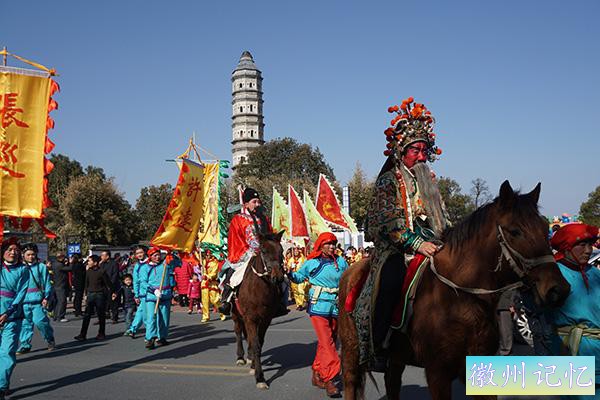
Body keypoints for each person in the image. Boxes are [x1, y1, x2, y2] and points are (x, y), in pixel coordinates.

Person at [358, 97, 447, 371]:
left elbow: (443, 217)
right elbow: (391, 226)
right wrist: (418, 244)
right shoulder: (389, 181)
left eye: (424, 150)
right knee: (391, 280)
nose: (421, 156)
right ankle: (379, 344)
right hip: (397, 249)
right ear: (401, 152)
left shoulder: (429, 181)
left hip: (433, 244)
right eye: (414, 151)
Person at [288, 232, 348, 398]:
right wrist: (289, 274)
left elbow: (348, 278)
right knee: (327, 342)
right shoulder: (312, 262)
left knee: (327, 343)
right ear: (321, 245)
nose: (331, 247)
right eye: (328, 244)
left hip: (336, 307)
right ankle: (330, 378)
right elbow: (299, 278)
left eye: (333, 244)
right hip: (318, 307)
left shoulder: (341, 262)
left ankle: (317, 372)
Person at [547, 223, 600, 399]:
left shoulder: (594, 273)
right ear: (567, 248)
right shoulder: (553, 275)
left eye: (590, 245)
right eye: (581, 245)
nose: (588, 250)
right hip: (573, 354)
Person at [218, 187, 287, 317]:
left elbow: (270, 237)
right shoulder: (237, 219)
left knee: (282, 279)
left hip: (263, 254)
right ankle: (226, 301)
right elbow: (235, 239)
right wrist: (249, 252)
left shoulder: (264, 219)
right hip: (243, 254)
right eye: (254, 202)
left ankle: (280, 304)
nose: (257, 204)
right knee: (233, 276)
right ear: (246, 204)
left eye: (258, 202)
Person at [0, 240, 29, 399]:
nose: (13, 252)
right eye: (10, 249)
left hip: (12, 318)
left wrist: (7, 313)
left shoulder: (23, 270)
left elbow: (21, 294)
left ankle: (2, 385)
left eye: (16, 250)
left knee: (7, 353)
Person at [16, 243, 55, 354]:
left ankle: (50, 339)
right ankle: (25, 345)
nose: (31, 257)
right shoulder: (19, 268)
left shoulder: (41, 267)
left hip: (37, 300)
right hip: (23, 302)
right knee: (25, 324)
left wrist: (46, 297)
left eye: (33, 254)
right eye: (28, 254)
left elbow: (47, 283)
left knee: (41, 322)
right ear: (23, 255)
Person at [140, 247, 179, 350]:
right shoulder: (145, 268)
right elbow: (143, 282)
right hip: (152, 296)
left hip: (165, 294)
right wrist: (153, 290)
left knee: (164, 318)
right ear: (150, 256)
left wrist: (172, 254)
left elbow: (178, 263)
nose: (157, 257)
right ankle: (150, 338)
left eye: (158, 255)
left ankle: (162, 337)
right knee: (152, 318)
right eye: (155, 255)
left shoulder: (165, 265)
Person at [74, 255, 116, 341]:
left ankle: (101, 333)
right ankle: (82, 334)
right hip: (90, 295)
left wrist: (113, 292)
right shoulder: (88, 271)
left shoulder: (102, 272)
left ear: (95, 263)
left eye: (89, 261)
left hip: (99, 295)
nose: (88, 263)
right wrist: (85, 295)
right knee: (87, 315)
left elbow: (108, 283)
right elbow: (86, 283)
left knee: (101, 315)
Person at [124, 246, 148, 338]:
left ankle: (149, 332)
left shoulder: (149, 263)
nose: (139, 255)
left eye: (141, 252)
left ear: (145, 252)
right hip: (142, 293)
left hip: (151, 293)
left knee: (144, 313)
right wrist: (136, 295)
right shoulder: (137, 265)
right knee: (141, 312)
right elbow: (135, 281)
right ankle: (133, 329)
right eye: (137, 253)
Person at [201, 251, 225, 322]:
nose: (208, 254)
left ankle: (222, 313)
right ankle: (205, 316)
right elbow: (203, 270)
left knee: (215, 300)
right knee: (205, 300)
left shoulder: (215, 262)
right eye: (207, 253)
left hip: (212, 283)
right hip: (204, 283)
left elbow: (214, 273)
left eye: (209, 253)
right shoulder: (203, 261)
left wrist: (207, 276)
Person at [100, 251, 121, 323]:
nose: (101, 257)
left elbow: (115, 275)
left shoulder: (114, 263)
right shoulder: (101, 264)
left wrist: (111, 285)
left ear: (107, 256)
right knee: (103, 302)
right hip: (103, 286)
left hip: (112, 285)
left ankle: (115, 317)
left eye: (103, 255)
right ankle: (104, 315)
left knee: (113, 302)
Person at [52, 253, 71, 322]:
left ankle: (55, 316)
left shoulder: (54, 264)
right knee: (62, 301)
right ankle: (60, 316)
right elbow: (70, 269)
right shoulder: (60, 265)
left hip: (56, 285)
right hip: (61, 285)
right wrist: (70, 263)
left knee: (57, 302)